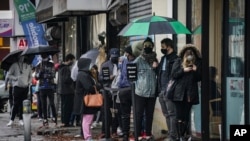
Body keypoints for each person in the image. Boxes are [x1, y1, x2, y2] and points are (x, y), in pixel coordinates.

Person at [170, 44, 202, 140]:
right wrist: (183, 70)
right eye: (187, 54)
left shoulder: (198, 63)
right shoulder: (178, 61)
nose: (189, 56)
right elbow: (173, 75)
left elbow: (200, 78)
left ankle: (185, 135)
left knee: (186, 115)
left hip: (190, 93)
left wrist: (196, 70)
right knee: (179, 115)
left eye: (191, 54)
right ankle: (180, 136)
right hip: (178, 93)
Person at [133, 37, 158, 140]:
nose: (147, 47)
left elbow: (159, 75)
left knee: (149, 115)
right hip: (140, 92)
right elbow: (131, 74)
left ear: (152, 46)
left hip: (152, 92)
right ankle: (137, 134)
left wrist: (156, 67)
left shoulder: (155, 60)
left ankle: (148, 134)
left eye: (149, 45)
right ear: (143, 47)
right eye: (145, 45)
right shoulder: (138, 60)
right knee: (138, 114)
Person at [73, 58, 101, 141]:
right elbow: (89, 87)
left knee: (87, 119)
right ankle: (88, 137)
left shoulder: (84, 74)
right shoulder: (82, 75)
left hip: (86, 100)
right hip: (86, 101)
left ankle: (88, 136)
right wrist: (97, 86)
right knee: (87, 119)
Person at [157, 38, 178, 141]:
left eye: (163, 47)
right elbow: (161, 74)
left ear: (169, 46)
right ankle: (170, 133)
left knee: (171, 113)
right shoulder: (163, 58)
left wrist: (168, 89)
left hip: (169, 90)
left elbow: (174, 76)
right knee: (166, 114)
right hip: (162, 90)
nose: (162, 49)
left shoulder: (175, 59)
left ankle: (173, 136)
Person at [98, 47, 120, 139]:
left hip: (118, 91)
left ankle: (114, 130)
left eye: (116, 56)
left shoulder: (120, 65)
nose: (114, 58)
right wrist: (108, 78)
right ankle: (105, 130)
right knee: (106, 112)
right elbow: (100, 78)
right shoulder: (105, 65)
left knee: (116, 112)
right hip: (107, 91)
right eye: (113, 56)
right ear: (110, 56)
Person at [6, 56, 33, 127]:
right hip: (17, 87)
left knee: (23, 104)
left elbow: (30, 76)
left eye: (23, 57)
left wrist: (29, 83)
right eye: (21, 57)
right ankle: (11, 120)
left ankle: (21, 119)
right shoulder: (14, 65)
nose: (22, 58)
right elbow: (9, 75)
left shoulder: (28, 66)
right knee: (16, 103)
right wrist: (15, 78)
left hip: (25, 87)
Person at [118, 45, 136, 141]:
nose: (125, 54)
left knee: (134, 113)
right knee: (126, 114)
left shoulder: (134, 62)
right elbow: (120, 74)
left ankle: (133, 133)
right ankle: (126, 133)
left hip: (131, 89)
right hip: (125, 89)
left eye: (126, 53)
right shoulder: (123, 61)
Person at [35, 54, 57, 127]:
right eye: (44, 57)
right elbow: (36, 77)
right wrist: (40, 72)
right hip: (42, 87)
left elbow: (53, 74)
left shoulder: (51, 64)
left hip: (50, 86)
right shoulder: (38, 65)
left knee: (51, 103)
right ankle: (45, 119)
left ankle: (54, 117)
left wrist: (45, 74)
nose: (45, 58)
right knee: (43, 104)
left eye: (46, 57)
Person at [57, 53, 75, 127]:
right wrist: (73, 78)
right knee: (67, 107)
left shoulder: (61, 68)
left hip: (62, 90)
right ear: (69, 60)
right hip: (67, 91)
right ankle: (66, 122)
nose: (73, 62)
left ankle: (64, 121)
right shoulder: (66, 68)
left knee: (64, 107)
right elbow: (66, 79)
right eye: (72, 60)